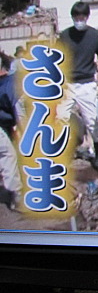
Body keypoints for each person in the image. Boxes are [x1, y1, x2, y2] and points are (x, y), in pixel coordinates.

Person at [57, 2, 98, 168]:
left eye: (82, 17)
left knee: (93, 121)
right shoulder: (65, 36)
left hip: (87, 85)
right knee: (60, 118)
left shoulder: (95, 36)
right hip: (67, 85)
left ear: (87, 17)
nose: (79, 20)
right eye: (76, 17)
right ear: (72, 18)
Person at [0, 51, 23, 209]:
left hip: (4, 123)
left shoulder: (9, 83)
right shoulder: (11, 84)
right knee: (8, 153)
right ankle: (17, 196)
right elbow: (20, 114)